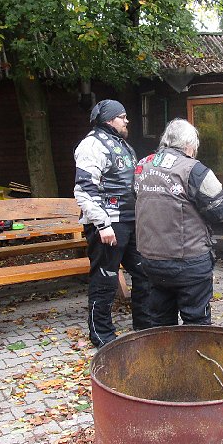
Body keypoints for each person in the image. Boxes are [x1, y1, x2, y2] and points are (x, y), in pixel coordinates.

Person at [134, 118, 223, 326]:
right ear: (189, 144)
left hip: (152, 261)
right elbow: (220, 210)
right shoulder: (194, 169)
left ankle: (164, 349)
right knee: (196, 322)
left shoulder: (142, 166)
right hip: (189, 261)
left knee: (160, 322)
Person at [73, 99, 153, 347]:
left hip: (130, 222)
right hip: (108, 225)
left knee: (144, 271)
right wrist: (103, 225)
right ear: (109, 119)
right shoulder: (91, 145)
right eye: (122, 116)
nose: (127, 120)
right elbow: (84, 189)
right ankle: (101, 334)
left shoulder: (123, 145)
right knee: (105, 277)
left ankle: (145, 325)